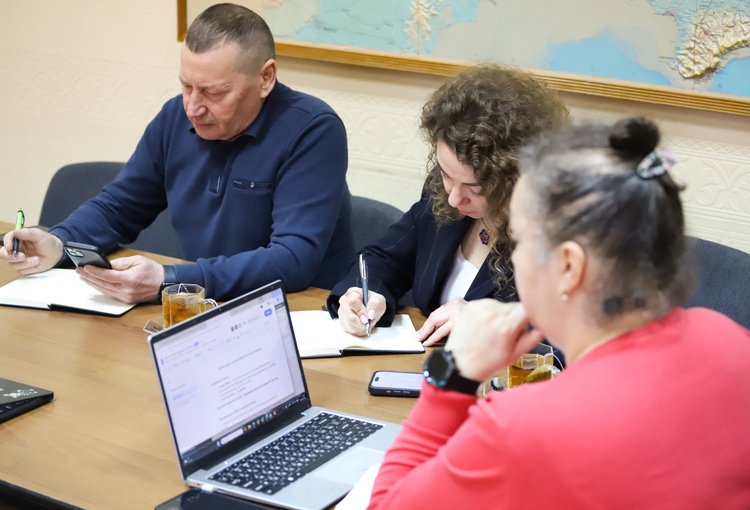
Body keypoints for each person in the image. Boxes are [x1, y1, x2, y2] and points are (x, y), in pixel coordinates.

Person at [368, 118, 750, 509]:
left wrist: (450, 377)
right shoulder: (730, 338)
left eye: (519, 239)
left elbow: (387, 504)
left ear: (569, 266)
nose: (514, 256)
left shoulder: (522, 424)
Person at [0, 3, 353, 303]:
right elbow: (119, 207)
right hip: (202, 305)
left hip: (297, 313)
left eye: (214, 92)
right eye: (186, 86)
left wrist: (168, 280)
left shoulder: (313, 129)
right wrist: (59, 243)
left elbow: (292, 261)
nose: (193, 108)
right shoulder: (175, 117)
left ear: (265, 78)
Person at [327, 65, 568, 345]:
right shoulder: (443, 193)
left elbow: (571, 340)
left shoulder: (560, 233)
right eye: (445, 174)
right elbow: (385, 258)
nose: (453, 198)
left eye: (475, 189)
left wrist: (486, 322)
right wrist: (365, 294)